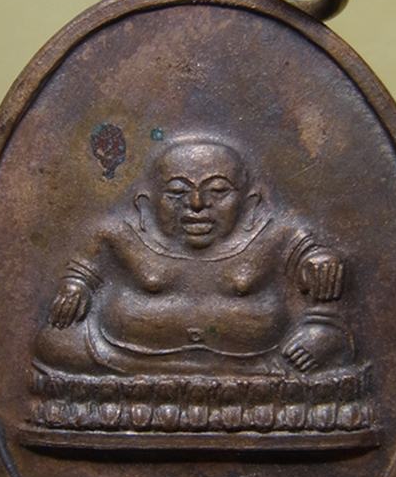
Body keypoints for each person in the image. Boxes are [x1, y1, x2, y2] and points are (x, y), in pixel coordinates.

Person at [34, 137, 354, 376]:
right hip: (126, 360)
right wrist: (76, 287)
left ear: (251, 202)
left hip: (259, 363)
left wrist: (322, 323)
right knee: (56, 342)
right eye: (177, 191)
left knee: (329, 357)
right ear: (147, 202)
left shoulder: (274, 236)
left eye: (218, 190)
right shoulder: (122, 236)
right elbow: (87, 264)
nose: (197, 203)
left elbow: (317, 267)